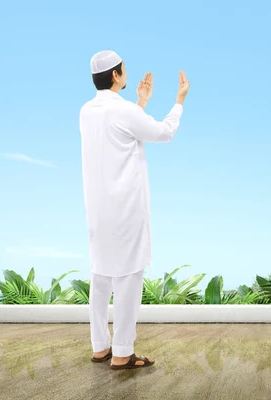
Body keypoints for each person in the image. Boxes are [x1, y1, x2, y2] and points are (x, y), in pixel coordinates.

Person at [79, 50, 190, 370]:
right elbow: (162, 132)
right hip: (125, 208)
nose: (128, 71)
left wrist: (140, 102)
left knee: (101, 276)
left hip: (97, 209)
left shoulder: (87, 111)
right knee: (128, 278)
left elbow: (122, 133)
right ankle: (123, 352)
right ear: (115, 75)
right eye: (124, 68)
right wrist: (179, 101)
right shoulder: (124, 111)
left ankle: (101, 346)